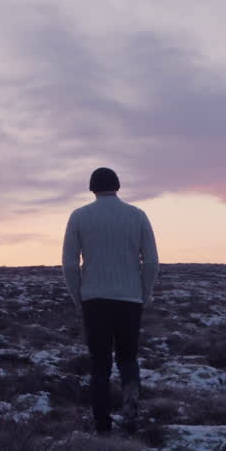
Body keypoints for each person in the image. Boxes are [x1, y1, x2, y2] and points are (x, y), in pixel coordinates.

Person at [62, 167, 159, 434]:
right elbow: (151, 262)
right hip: (130, 299)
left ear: (92, 187)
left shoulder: (79, 216)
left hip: (94, 300)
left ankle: (102, 427)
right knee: (128, 358)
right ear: (117, 186)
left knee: (100, 364)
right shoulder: (137, 215)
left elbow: (69, 265)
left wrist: (78, 297)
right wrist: (143, 294)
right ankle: (130, 398)